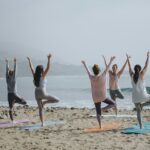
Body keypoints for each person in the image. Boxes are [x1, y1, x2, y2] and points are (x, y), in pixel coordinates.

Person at [81, 56, 116, 128]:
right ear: (99, 70)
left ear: (93, 71)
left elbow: (87, 70)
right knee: (113, 104)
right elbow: (107, 68)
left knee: (98, 112)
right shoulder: (102, 76)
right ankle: (103, 109)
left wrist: (84, 64)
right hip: (102, 96)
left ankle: (100, 126)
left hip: (95, 97)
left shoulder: (91, 77)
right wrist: (111, 60)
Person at [27, 53, 59, 126]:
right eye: (43, 69)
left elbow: (31, 68)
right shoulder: (43, 76)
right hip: (42, 92)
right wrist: (49, 59)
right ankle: (45, 103)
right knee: (57, 100)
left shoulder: (35, 76)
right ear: (42, 71)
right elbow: (48, 68)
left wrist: (29, 60)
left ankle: (42, 123)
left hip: (36, 93)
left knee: (40, 109)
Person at [126, 51, 150, 128]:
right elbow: (146, 66)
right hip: (143, 95)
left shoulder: (132, 75)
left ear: (134, 69)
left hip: (135, 97)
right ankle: (143, 104)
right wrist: (148, 56)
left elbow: (129, 68)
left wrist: (127, 59)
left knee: (138, 112)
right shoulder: (142, 74)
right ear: (139, 69)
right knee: (143, 105)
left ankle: (140, 125)